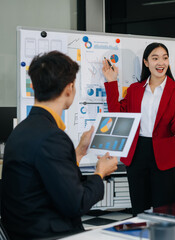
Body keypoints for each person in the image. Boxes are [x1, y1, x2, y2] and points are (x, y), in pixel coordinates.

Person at [1, 51, 118, 240]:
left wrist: (79, 153)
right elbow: (77, 203)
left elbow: (48, 180)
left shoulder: (21, 130)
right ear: (69, 89)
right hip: (50, 234)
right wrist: (100, 173)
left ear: (34, 86)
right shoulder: (51, 137)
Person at [102, 42, 175, 215]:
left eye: (165, 58)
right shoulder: (135, 90)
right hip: (137, 153)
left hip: (164, 155)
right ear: (146, 62)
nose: (161, 63)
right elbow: (117, 113)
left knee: (164, 211)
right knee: (139, 209)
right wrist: (112, 81)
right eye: (155, 58)